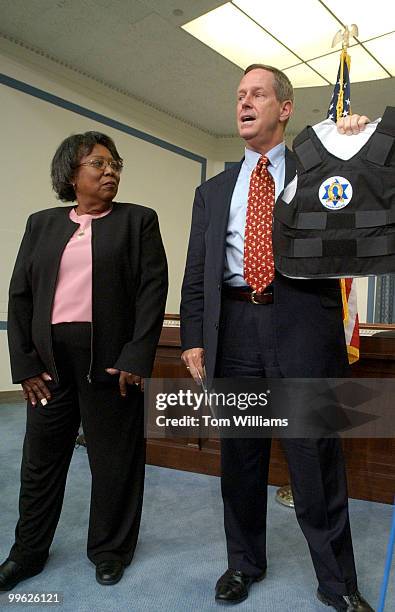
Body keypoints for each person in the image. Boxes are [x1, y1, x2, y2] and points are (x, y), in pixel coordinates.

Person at [180, 65, 373, 611]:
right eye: (240, 95)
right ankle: (243, 564)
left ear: (285, 109)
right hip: (235, 330)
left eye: (258, 94)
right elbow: (198, 272)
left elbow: (361, 203)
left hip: (303, 325)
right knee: (240, 460)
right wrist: (194, 336)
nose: (244, 102)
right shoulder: (213, 191)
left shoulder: (317, 173)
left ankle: (338, 582)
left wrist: (354, 144)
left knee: (315, 459)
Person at [0, 131, 168, 591]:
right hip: (49, 369)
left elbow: (152, 292)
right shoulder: (43, 224)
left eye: (115, 163)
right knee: (40, 460)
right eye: (98, 163)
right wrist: (25, 364)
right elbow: (20, 297)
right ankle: (28, 552)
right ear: (70, 174)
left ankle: (110, 550)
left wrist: (136, 355)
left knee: (114, 462)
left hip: (112, 367)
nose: (110, 170)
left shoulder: (138, 222)